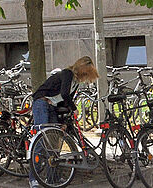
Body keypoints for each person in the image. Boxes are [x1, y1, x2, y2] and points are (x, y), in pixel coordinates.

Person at [28, 56, 99, 188]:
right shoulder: (67, 74)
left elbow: (64, 102)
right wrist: (74, 108)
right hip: (42, 103)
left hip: (52, 107)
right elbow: (65, 94)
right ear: (82, 70)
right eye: (86, 74)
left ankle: (52, 177)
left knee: (55, 142)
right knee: (41, 140)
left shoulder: (75, 83)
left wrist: (65, 121)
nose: (85, 78)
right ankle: (33, 178)